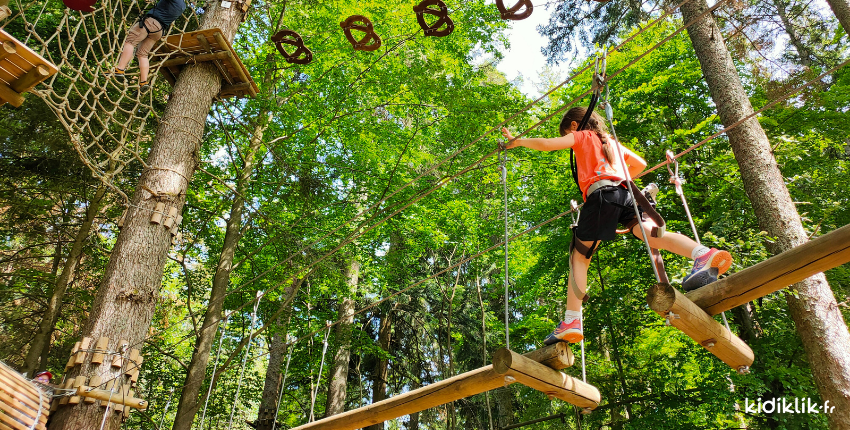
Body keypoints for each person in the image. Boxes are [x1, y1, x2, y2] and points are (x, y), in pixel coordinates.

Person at [500, 107, 732, 344]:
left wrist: (518, 142)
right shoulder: (609, 141)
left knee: (580, 257)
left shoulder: (583, 136)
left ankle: (572, 320)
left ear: (573, 126)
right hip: (627, 194)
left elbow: (549, 144)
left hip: (602, 196)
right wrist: (618, 175)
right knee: (650, 234)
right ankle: (702, 253)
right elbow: (640, 164)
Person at [112, 0, 186, 93]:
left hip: (151, 23)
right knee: (143, 54)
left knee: (130, 42)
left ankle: (120, 69)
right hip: (159, 30)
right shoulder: (183, 5)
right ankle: (143, 82)